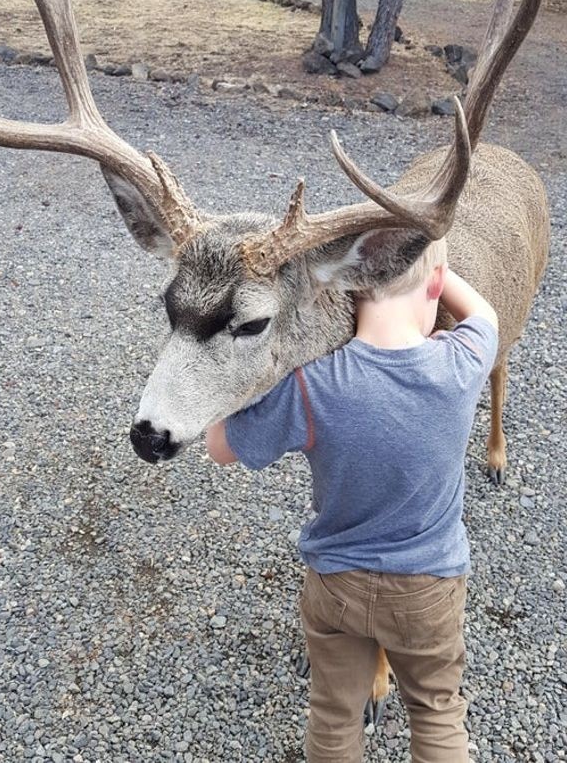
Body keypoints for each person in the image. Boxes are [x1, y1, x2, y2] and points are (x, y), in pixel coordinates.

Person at [206, 237, 498, 763]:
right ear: (434, 285)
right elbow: (483, 313)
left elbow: (219, 447)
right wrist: (439, 261)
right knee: (436, 711)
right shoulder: (462, 363)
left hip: (336, 586)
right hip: (428, 590)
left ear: (349, 294)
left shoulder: (311, 386)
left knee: (334, 715)